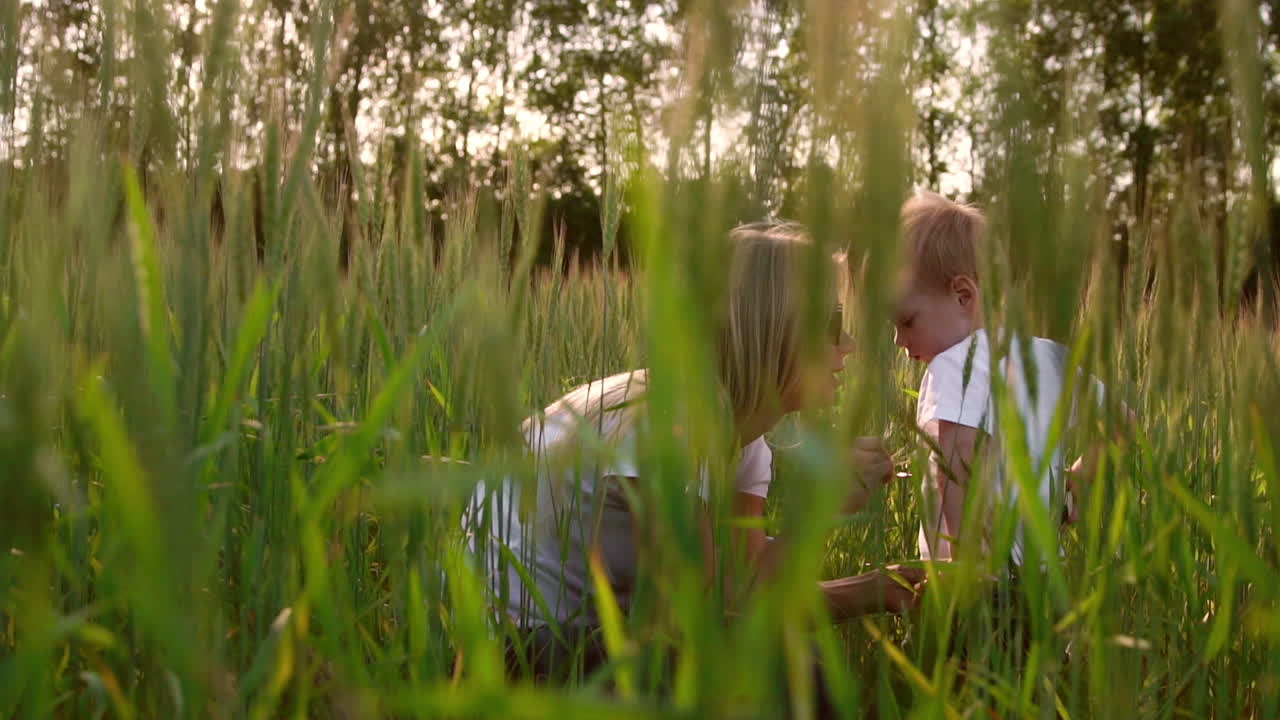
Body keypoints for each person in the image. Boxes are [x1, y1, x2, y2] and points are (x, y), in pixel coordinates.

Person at [467, 221, 923, 684]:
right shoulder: (658, 423)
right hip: (518, 654)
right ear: (772, 327)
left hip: (595, 641)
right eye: (830, 322)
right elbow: (715, 608)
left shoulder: (744, 439)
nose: (847, 343)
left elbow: (750, 586)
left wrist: (883, 589)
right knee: (789, 670)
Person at [891, 190, 1111, 570]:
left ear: (963, 295)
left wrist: (964, 574)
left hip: (982, 578)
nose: (899, 340)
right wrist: (1080, 477)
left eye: (907, 321)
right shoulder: (1049, 356)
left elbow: (957, 467)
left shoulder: (953, 364)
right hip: (1043, 572)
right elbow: (1122, 422)